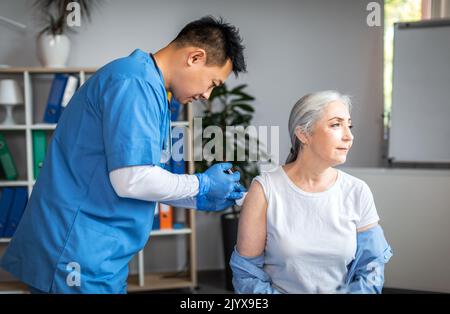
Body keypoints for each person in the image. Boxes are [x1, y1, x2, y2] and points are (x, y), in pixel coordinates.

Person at [1, 16, 247, 294]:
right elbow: (132, 179)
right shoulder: (134, 83)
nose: (206, 94)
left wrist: (198, 198)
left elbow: (141, 179)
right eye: (212, 82)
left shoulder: (149, 87)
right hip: (75, 252)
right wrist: (201, 185)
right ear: (194, 57)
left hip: (98, 253)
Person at [230, 91, 393, 294]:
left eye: (349, 125)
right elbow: (247, 275)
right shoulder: (264, 190)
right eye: (336, 125)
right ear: (304, 134)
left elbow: (372, 267)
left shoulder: (357, 191)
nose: (349, 136)